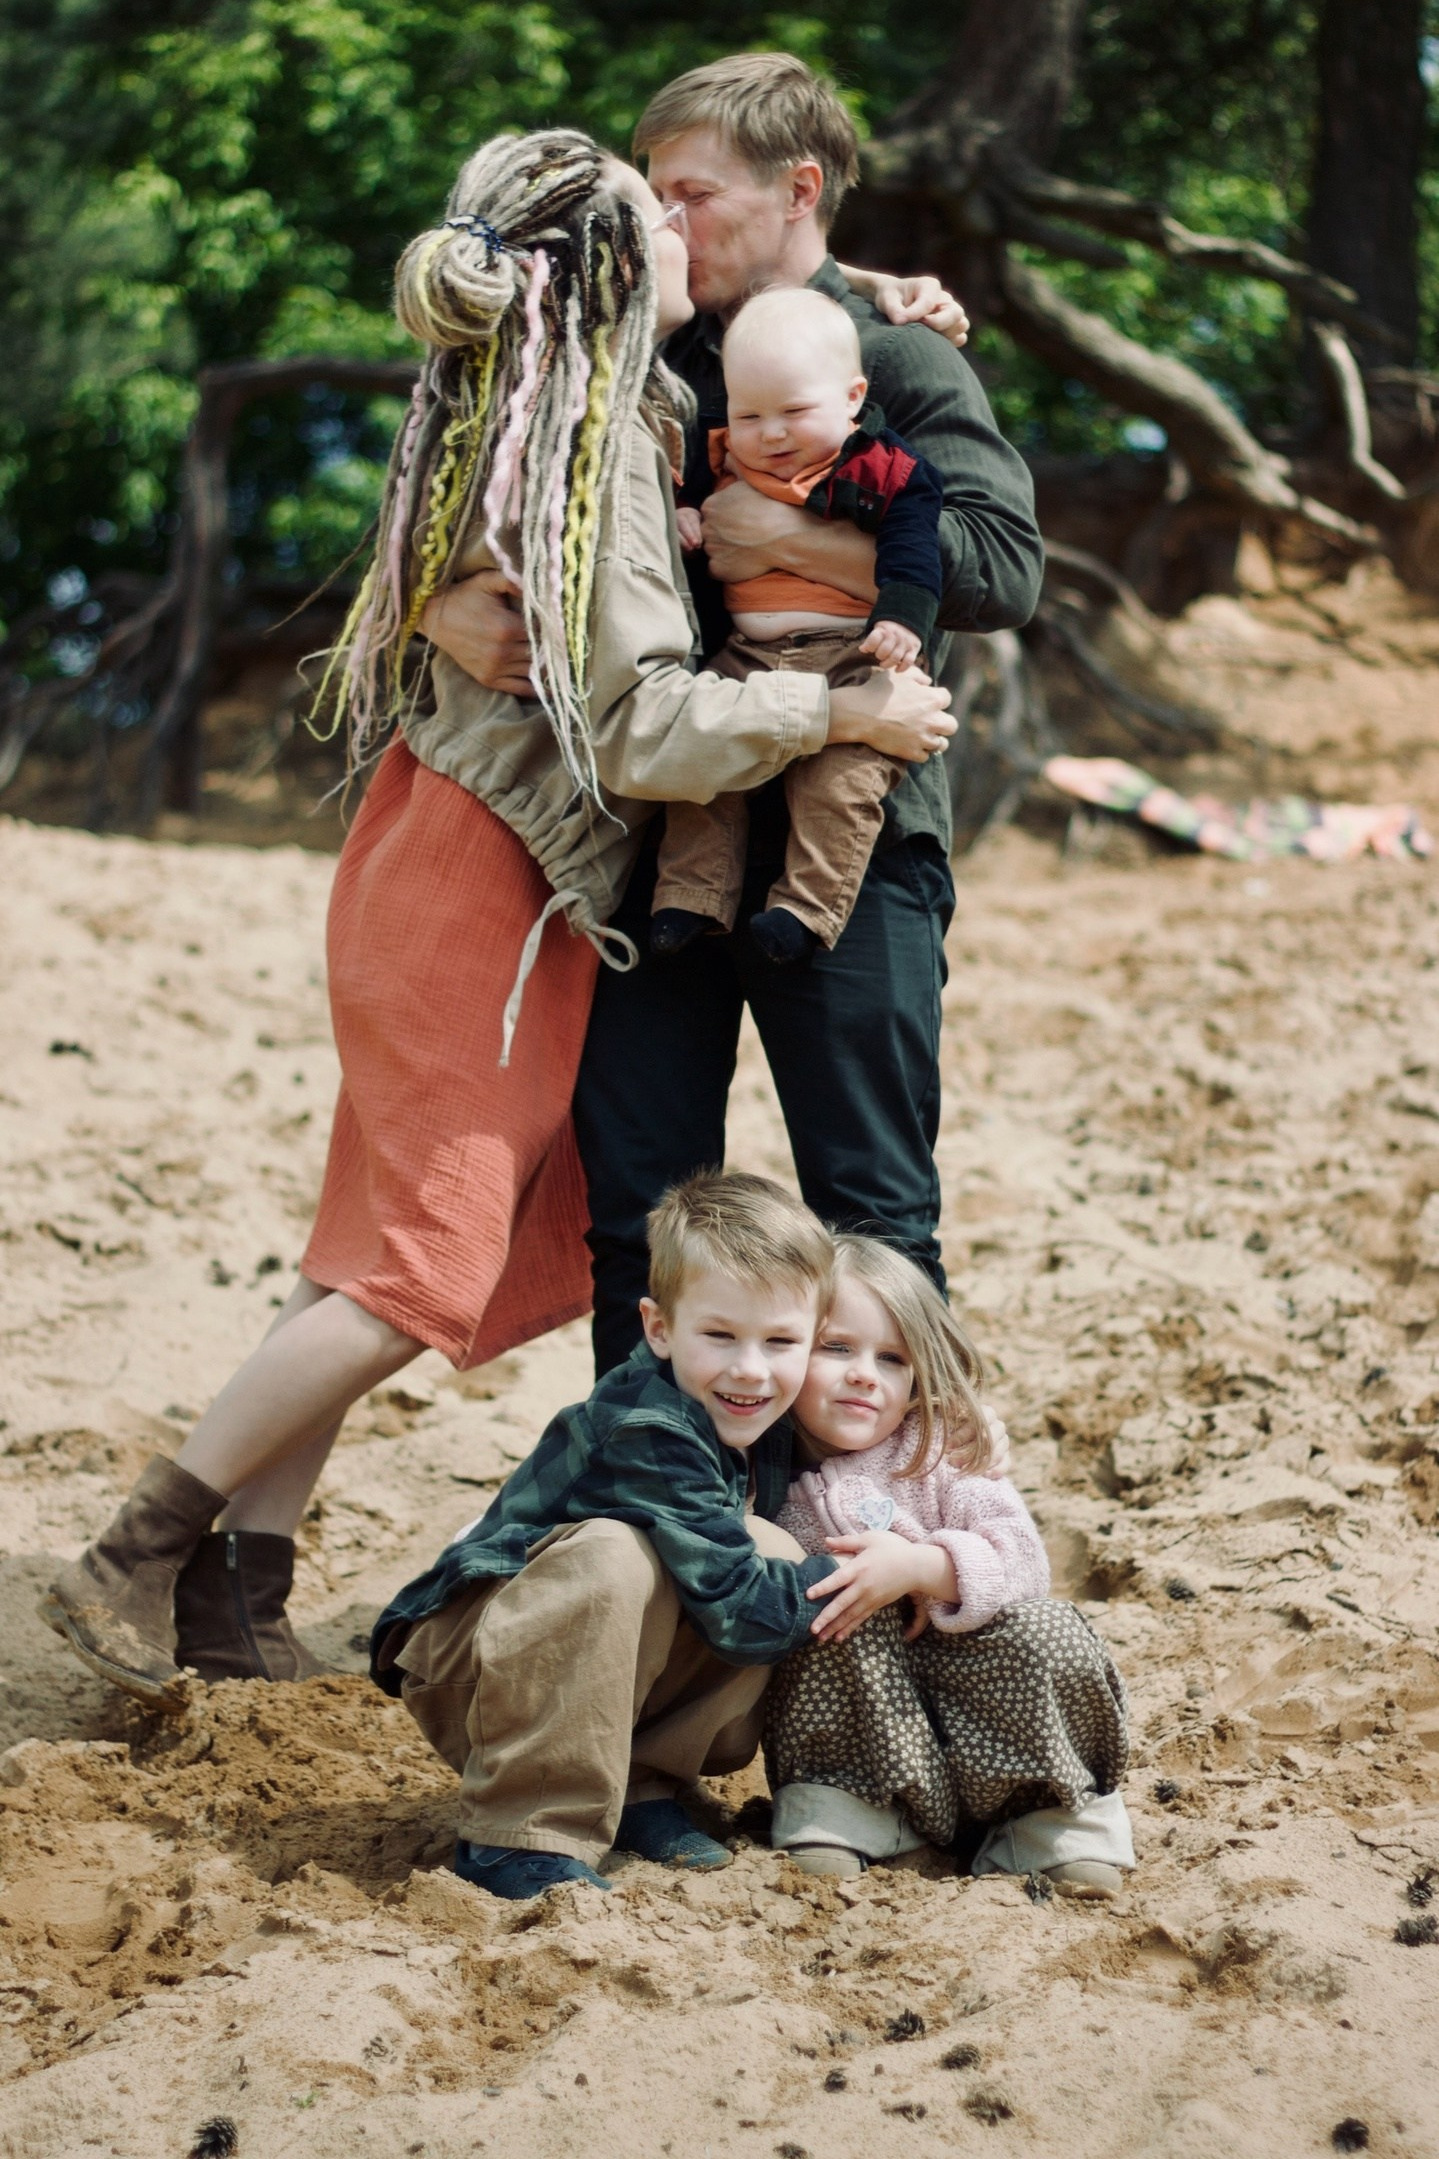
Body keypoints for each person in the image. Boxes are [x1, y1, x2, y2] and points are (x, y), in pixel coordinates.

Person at [40, 130, 953, 1709]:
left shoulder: (554, 408)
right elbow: (646, 724)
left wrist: (868, 287)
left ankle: (241, 1588)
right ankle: (138, 1545)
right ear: (607, 275)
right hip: (489, 886)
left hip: (444, 854)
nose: (682, 232)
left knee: (359, 1256)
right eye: (655, 218)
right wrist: (835, 713)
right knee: (419, 1267)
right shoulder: (594, 448)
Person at [422, 53, 1045, 1370]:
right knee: (637, 1215)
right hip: (654, 839)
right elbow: (464, 473)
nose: (663, 220)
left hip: (855, 841)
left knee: (872, 1211)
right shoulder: (639, 355)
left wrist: (786, 532)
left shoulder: (894, 355)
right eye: (652, 194)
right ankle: (648, 1482)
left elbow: (1002, 567)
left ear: (797, 190)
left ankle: (901, 1486)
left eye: (690, 193)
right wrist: (433, 605)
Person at [369, 1172, 842, 1901]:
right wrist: (857, 1577)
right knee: (623, 1556)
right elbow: (741, 1610)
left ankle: (638, 1787)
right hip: (474, 1668)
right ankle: (520, 1831)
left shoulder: (759, 1409)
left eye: (781, 1340)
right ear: (659, 1328)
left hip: (566, 1666)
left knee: (766, 1546)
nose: (750, 1368)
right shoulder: (649, 1426)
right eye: (719, 1335)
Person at [765, 1235, 1135, 1895]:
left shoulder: (940, 1451)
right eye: (837, 1347)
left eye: (891, 1358)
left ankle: (1047, 1822)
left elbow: (1024, 1559)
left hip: (986, 1716)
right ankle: (851, 1814)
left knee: (1051, 1630)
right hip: (873, 1742)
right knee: (819, 1615)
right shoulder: (760, 1463)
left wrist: (920, 1566)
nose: (864, 1374)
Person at [653, 286, 947, 968]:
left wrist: (903, 617)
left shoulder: (880, 466)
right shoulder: (719, 451)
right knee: (706, 769)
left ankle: (806, 910)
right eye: (749, 415)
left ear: (852, 397)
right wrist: (683, 511)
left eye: (794, 412)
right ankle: (691, 895)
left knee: (838, 786)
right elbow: (680, 489)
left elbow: (914, 544)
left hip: (850, 653)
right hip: (744, 655)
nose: (772, 434)